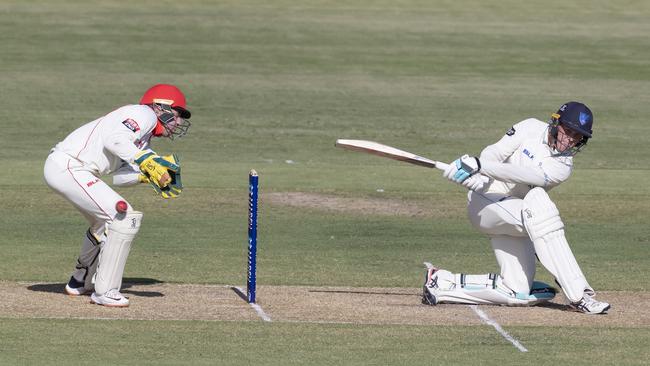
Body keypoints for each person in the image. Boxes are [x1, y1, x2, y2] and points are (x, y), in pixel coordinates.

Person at [422, 101, 611, 315]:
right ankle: (579, 296)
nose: (570, 140)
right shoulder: (530, 127)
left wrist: (482, 167)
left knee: (517, 292)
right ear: (555, 123)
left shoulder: (562, 167)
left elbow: (527, 175)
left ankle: (441, 283)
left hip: (520, 218)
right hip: (486, 205)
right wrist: (479, 175)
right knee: (540, 206)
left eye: (577, 136)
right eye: (568, 131)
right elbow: (493, 153)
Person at [43, 84, 191, 307]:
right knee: (125, 217)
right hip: (68, 166)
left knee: (102, 223)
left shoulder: (143, 141)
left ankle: (79, 281)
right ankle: (106, 291)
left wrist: (147, 176)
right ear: (162, 107)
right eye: (178, 114)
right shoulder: (144, 114)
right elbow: (115, 141)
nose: (178, 122)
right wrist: (147, 162)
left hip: (74, 170)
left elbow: (119, 177)